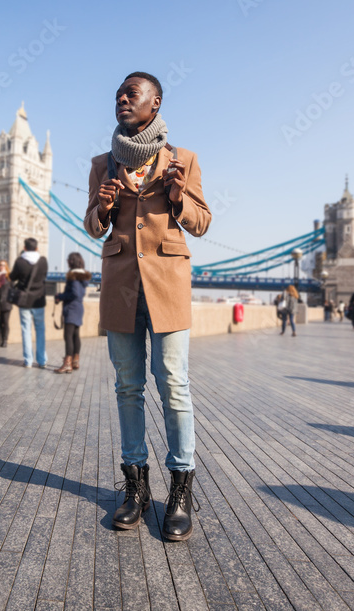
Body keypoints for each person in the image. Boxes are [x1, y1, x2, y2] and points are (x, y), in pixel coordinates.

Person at [83, 71, 211, 541]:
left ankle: (181, 489)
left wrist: (179, 197)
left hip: (168, 286)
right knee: (127, 387)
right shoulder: (103, 163)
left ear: (153, 104)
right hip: (120, 286)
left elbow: (202, 222)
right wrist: (102, 208)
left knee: (173, 384)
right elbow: (92, 227)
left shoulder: (184, 159)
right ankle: (135, 487)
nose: (121, 99)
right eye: (117, 94)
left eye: (130, 94)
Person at [9, 238, 48, 368]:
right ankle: (42, 360)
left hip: (24, 301)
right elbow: (44, 276)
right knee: (40, 330)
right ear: (37, 248)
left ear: (24, 248)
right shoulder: (43, 261)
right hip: (38, 300)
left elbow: (12, 277)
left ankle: (28, 360)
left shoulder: (20, 262)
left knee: (26, 330)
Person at [52, 252, 92, 374]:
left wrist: (61, 296)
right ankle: (75, 360)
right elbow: (79, 294)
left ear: (72, 261)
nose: (67, 261)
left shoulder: (73, 276)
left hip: (71, 309)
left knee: (68, 336)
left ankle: (67, 364)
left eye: (68, 259)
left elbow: (75, 293)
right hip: (78, 307)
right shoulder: (82, 277)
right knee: (75, 335)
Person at [0, 259, 12, 347]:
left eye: (4, 265)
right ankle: (0, 339)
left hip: (6, 303)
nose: (2, 266)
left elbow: (13, 290)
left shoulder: (9, 277)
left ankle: (5, 340)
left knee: (5, 322)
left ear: (6, 267)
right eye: (0, 265)